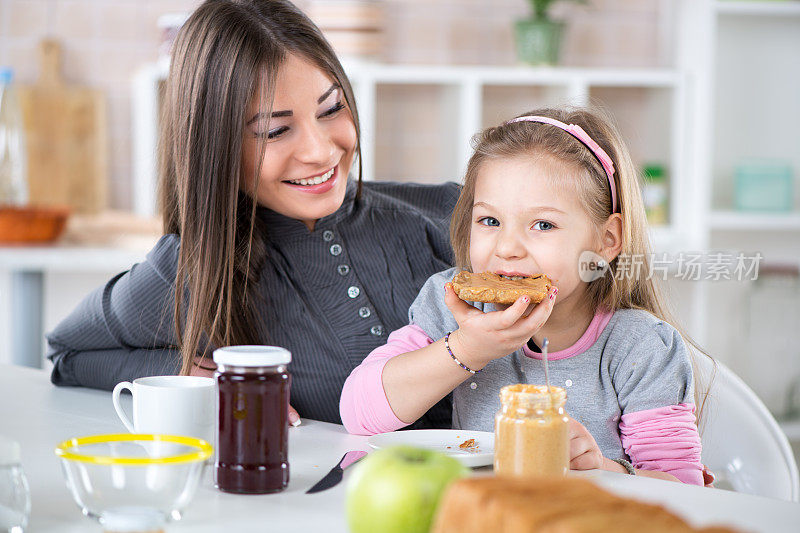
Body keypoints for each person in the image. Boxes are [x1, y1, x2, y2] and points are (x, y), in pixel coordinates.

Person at [46, 0, 457, 429]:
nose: (320, 151)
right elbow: (69, 354)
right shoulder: (195, 270)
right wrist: (181, 374)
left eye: (331, 108)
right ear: (215, 149)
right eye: (275, 131)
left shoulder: (455, 215)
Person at [340, 107, 709, 485]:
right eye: (490, 221)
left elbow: (683, 490)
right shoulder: (453, 304)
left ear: (606, 240)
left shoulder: (641, 347)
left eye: (543, 225)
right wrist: (468, 348)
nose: (508, 247)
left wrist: (602, 467)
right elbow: (359, 413)